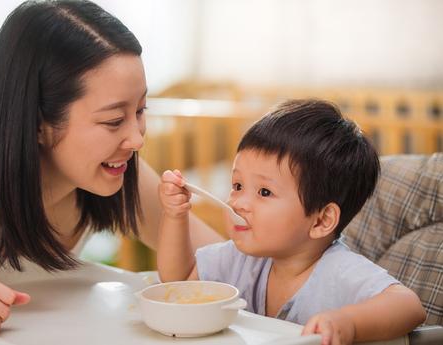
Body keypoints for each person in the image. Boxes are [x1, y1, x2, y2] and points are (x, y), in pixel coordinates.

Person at [0, 1, 223, 342]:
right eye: (113, 121)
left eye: (141, 110)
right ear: (38, 122)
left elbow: (223, 264)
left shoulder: (121, 171)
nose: (137, 139)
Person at [157, 99, 426, 345]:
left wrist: (349, 323)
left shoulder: (339, 271)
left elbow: (409, 307)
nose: (237, 202)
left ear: (321, 220)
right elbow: (178, 281)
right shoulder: (242, 258)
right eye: (237, 185)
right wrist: (175, 216)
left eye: (264, 192)